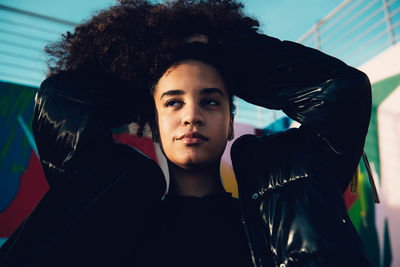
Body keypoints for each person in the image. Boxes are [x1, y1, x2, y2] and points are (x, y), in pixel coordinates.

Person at [0, 1, 372, 266]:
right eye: (173, 103)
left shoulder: (286, 195)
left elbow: (339, 90)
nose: (191, 116)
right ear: (153, 120)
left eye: (210, 102)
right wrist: (143, 60)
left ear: (230, 122)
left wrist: (221, 45)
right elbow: (61, 102)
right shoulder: (108, 204)